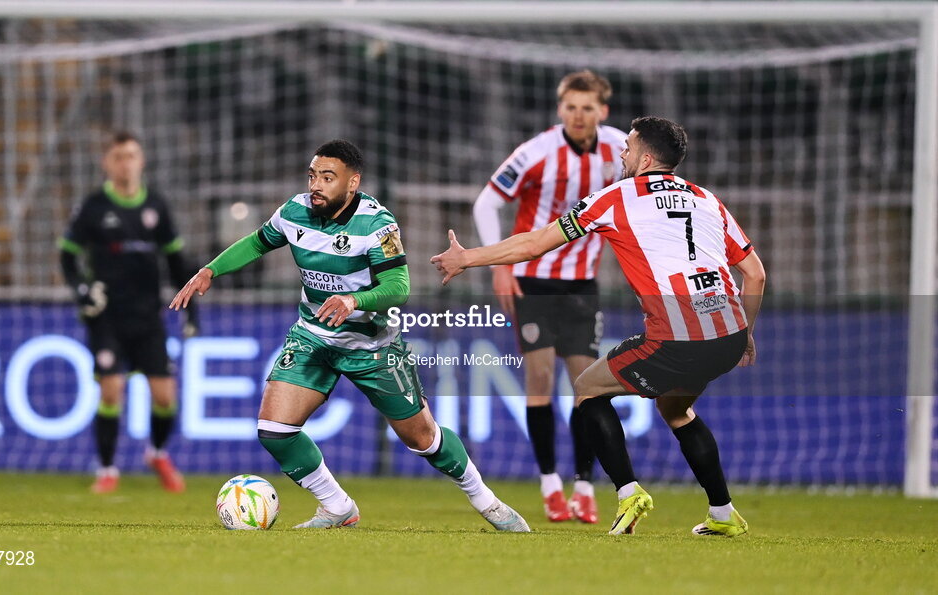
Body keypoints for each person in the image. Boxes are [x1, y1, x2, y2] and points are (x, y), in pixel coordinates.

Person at [170, 139, 529, 532]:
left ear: (352, 183)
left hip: (373, 346)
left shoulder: (378, 224)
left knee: (423, 438)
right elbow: (258, 242)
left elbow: (399, 286)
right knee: (275, 430)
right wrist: (210, 270)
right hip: (314, 338)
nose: (316, 185)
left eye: (328, 177)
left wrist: (354, 300)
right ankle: (337, 506)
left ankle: (489, 504)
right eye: (313, 175)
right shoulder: (294, 212)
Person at [432, 117, 766, 537]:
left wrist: (468, 258)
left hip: (679, 335)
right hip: (729, 331)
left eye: (627, 147)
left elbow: (535, 243)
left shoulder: (614, 198)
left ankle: (629, 493)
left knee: (588, 387)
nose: (620, 154)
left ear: (646, 158)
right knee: (676, 409)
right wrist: (745, 334)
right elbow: (754, 274)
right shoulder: (708, 200)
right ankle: (724, 514)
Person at [473, 69, 627, 524]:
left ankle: (583, 487)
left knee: (587, 386)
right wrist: (500, 267)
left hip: (583, 283)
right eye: (571, 107)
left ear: (603, 110)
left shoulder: (621, 149)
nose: (578, 116)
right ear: (560, 109)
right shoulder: (536, 152)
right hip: (532, 279)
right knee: (539, 379)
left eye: (587, 108)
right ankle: (549, 486)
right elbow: (486, 202)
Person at [59, 131, 199, 494]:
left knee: (166, 395)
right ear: (107, 162)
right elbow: (67, 256)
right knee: (111, 389)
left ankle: (156, 453)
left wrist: (191, 310)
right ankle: (107, 470)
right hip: (106, 315)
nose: (126, 163)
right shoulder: (93, 206)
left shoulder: (156, 205)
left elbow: (176, 261)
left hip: (147, 316)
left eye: (132, 155)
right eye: (119, 156)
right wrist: (82, 290)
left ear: (142, 161)